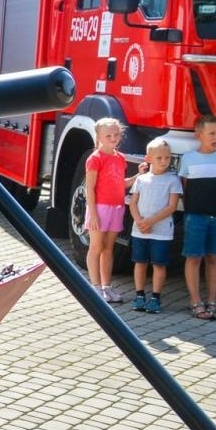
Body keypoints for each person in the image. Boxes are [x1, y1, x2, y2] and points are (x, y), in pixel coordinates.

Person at [180, 114, 216, 320]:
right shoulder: (189, 159)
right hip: (195, 216)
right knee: (194, 257)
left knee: (214, 258)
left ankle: (212, 300)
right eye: (212, 133)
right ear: (199, 135)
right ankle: (195, 300)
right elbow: (185, 188)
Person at [127, 137, 181, 314]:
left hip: (161, 231)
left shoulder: (173, 180)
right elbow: (133, 202)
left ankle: (156, 298)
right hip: (140, 230)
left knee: (159, 264)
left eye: (167, 158)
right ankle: (140, 295)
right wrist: (139, 221)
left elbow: (172, 206)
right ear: (148, 158)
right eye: (159, 158)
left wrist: (150, 221)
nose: (164, 161)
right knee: (140, 262)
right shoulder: (141, 180)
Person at [84, 117, 130, 302]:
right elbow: (90, 188)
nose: (113, 138)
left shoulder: (121, 158)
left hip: (116, 208)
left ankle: (107, 286)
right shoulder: (95, 159)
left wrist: (138, 177)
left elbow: (121, 184)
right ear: (99, 137)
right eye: (108, 135)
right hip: (100, 209)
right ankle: (95, 287)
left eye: (116, 134)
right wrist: (93, 213)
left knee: (108, 248)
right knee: (96, 247)